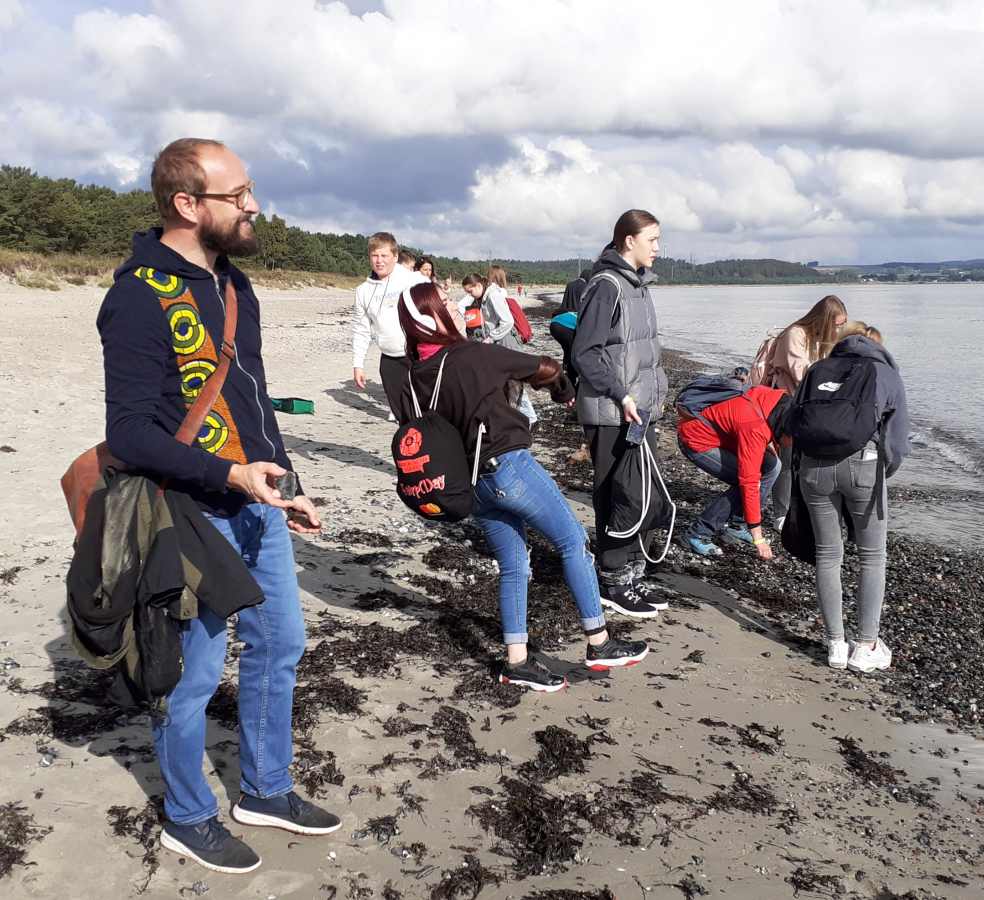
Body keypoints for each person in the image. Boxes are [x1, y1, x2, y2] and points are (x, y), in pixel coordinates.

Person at [96, 138, 337, 875]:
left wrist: (285, 486)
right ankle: (187, 814)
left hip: (257, 504)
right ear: (187, 204)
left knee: (280, 646)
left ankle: (265, 790)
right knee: (192, 675)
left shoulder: (234, 286)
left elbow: (250, 398)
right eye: (238, 196)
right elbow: (128, 432)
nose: (254, 205)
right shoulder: (137, 297)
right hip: (188, 513)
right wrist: (230, 474)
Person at [386, 282, 650, 690]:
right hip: (508, 468)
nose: (456, 309)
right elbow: (544, 367)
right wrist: (564, 391)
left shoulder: (411, 378)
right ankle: (600, 643)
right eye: (445, 304)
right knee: (574, 542)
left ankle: (517, 662)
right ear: (429, 318)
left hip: (471, 485)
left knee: (513, 565)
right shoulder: (471, 355)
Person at [794, 325, 910, 672]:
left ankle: (835, 644)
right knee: (872, 557)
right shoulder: (885, 372)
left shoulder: (818, 368)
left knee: (828, 554)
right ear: (879, 346)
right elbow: (897, 439)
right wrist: (882, 473)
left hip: (813, 468)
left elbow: (796, 417)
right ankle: (866, 646)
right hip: (863, 466)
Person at [572, 210, 670, 618]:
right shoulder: (607, 286)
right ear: (629, 241)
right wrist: (623, 396)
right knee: (618, 495)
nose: (658, 247)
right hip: (612, 412)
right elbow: (584, 354)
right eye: (652, 239)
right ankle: (612, 581)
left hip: (639, 412)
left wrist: (653, 397)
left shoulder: (639, 286)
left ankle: (632, 575)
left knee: (641, 494)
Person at [677, 384, 791, 559]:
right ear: (785, 432)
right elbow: (748, 482)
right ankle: (698, 533)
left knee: (773, 467)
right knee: (743, 484)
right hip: (695, 438)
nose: (790, 447)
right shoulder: (755, 428)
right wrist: (758, 538)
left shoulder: (781, 403)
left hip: (726, 434)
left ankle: (737, 527)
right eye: (792, 442)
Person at [766, 295, 847, 528]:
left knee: (807, 459)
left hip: (810, 404)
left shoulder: (820, 338)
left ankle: (804, 509)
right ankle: (781, 514)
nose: (838, 329)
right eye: (836, 324)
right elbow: (801, 372)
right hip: (787, 403)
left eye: (841, 325)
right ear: (823, 319)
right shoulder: (795, 334)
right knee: (788, 459)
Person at [351, 234, 428, 398]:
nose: (379, 260)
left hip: (420, 354)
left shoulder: (415, 281)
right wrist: (358, 364)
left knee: (427, 407)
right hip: (390, 359)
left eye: (384, 255)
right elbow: (361, 330)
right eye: (374, 255)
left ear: (395, 256)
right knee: (399, 409)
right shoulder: (363, 291)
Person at [478, 265, 538, 428]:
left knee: (512, 381)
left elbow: (506, 321)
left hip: (505, 342)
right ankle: (522, 417)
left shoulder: (495, 295)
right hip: (507, 341)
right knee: (510, 382)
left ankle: (530, 418)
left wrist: (490, 338)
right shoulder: (501, 293)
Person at [549, 266, 591, 389]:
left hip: (562, 317)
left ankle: (566, 374)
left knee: (568, 351)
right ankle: (570, 380)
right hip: (571, 321)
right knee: (574, 350)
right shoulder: (585, 286)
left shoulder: (570, 284)